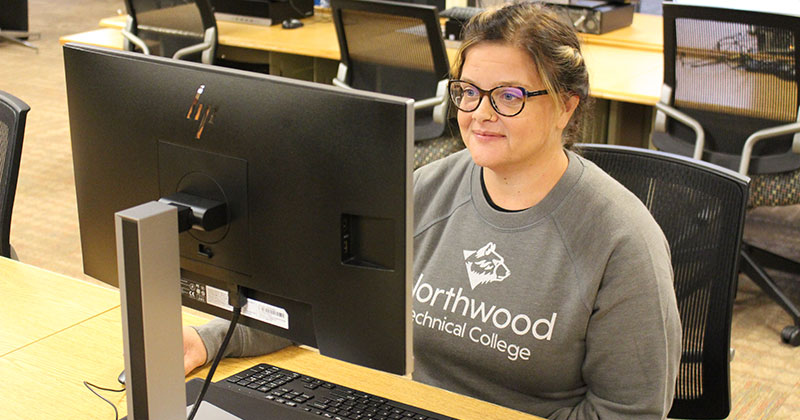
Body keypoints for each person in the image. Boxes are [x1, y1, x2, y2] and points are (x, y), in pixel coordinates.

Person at [183, 3, 682, 419]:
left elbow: (628, 412)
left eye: (508, 96)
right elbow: (323, 301)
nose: (480, 113)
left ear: (566, 107)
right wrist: (209, 340)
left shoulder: (622, 240)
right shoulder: (426, 190)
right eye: (467, 92)